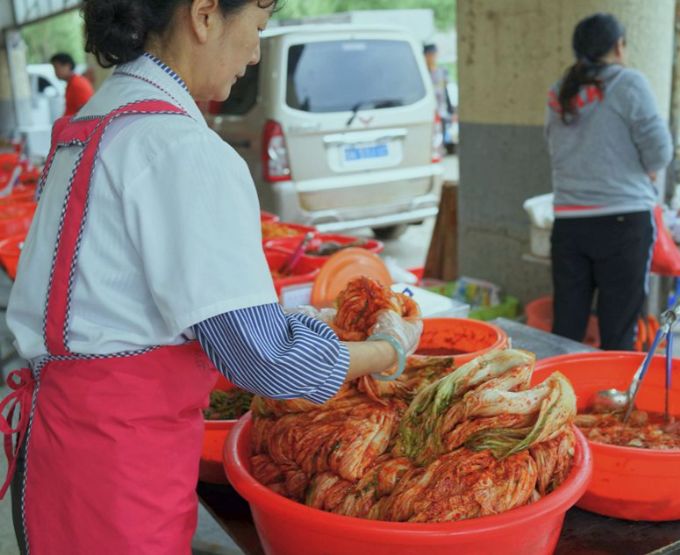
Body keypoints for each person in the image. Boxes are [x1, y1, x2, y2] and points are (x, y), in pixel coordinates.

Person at [1, 1, 422, 553]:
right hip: (121, 471)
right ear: (204, 15)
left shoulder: (92, 121)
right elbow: (263, 361)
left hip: (57, 448)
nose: (254, 53)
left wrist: (281, 321)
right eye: (258, 28)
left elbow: (120, 296)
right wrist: (388, 349)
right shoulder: (182, 147)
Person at [545, 13, 672, 350]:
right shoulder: (628, 83)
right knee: (618, 332)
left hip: (569, 224)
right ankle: (611, 402)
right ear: (618, 46)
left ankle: (562, 399)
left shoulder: (560, 91)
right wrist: (646, 168)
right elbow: (660, 151)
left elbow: (557, 150)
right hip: (622, 223)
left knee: (566, 330)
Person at [424, 43, 454, 150]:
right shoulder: (423, 73)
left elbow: (446, 92)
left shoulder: (442, 71)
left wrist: (451, 110)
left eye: (434, 54)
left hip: (442, 109)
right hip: (429, 110)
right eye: (429, 55)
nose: (432, 57)